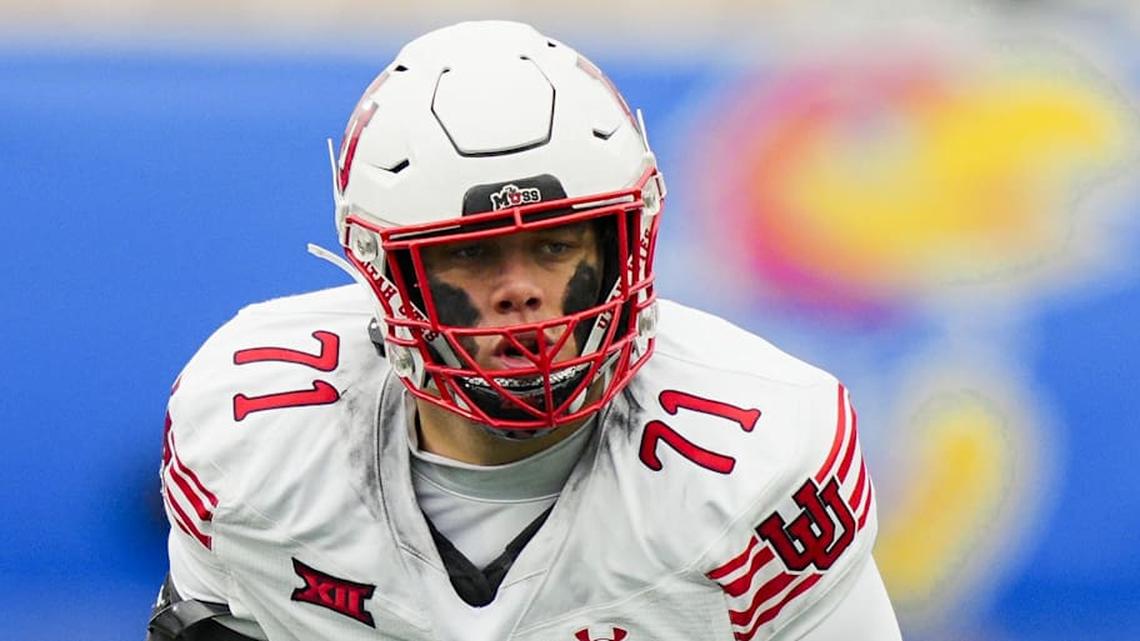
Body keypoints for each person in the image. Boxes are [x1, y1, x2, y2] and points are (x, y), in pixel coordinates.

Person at [147, 20, 902, 641]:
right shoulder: (254, 434)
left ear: (618, 245)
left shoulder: (759, 463)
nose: (522, 294)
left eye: (555, 245)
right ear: (384, 269)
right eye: (472, 252)